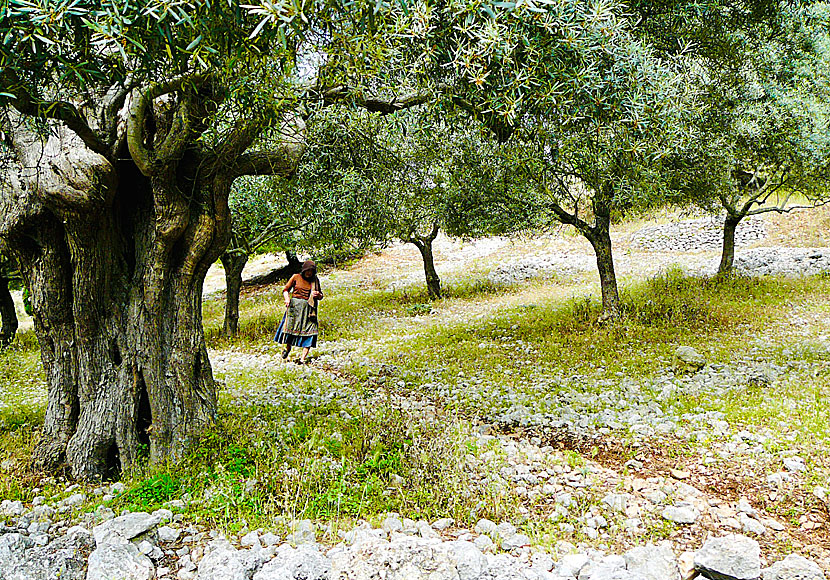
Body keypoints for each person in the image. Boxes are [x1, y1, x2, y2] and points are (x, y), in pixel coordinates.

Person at [274, 260, 323, 363]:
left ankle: (302, 359)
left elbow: (321, 295)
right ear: (304, 270)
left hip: (309, 310)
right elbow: (286, 290)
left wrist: (317, 295)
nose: (309, 273)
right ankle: (287, 349)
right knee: (291, 329)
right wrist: (287, 299)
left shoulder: (315, 280)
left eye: (311, 271)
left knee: (310, 332)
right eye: (308, 271)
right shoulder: (296, 277)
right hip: (295, 308)